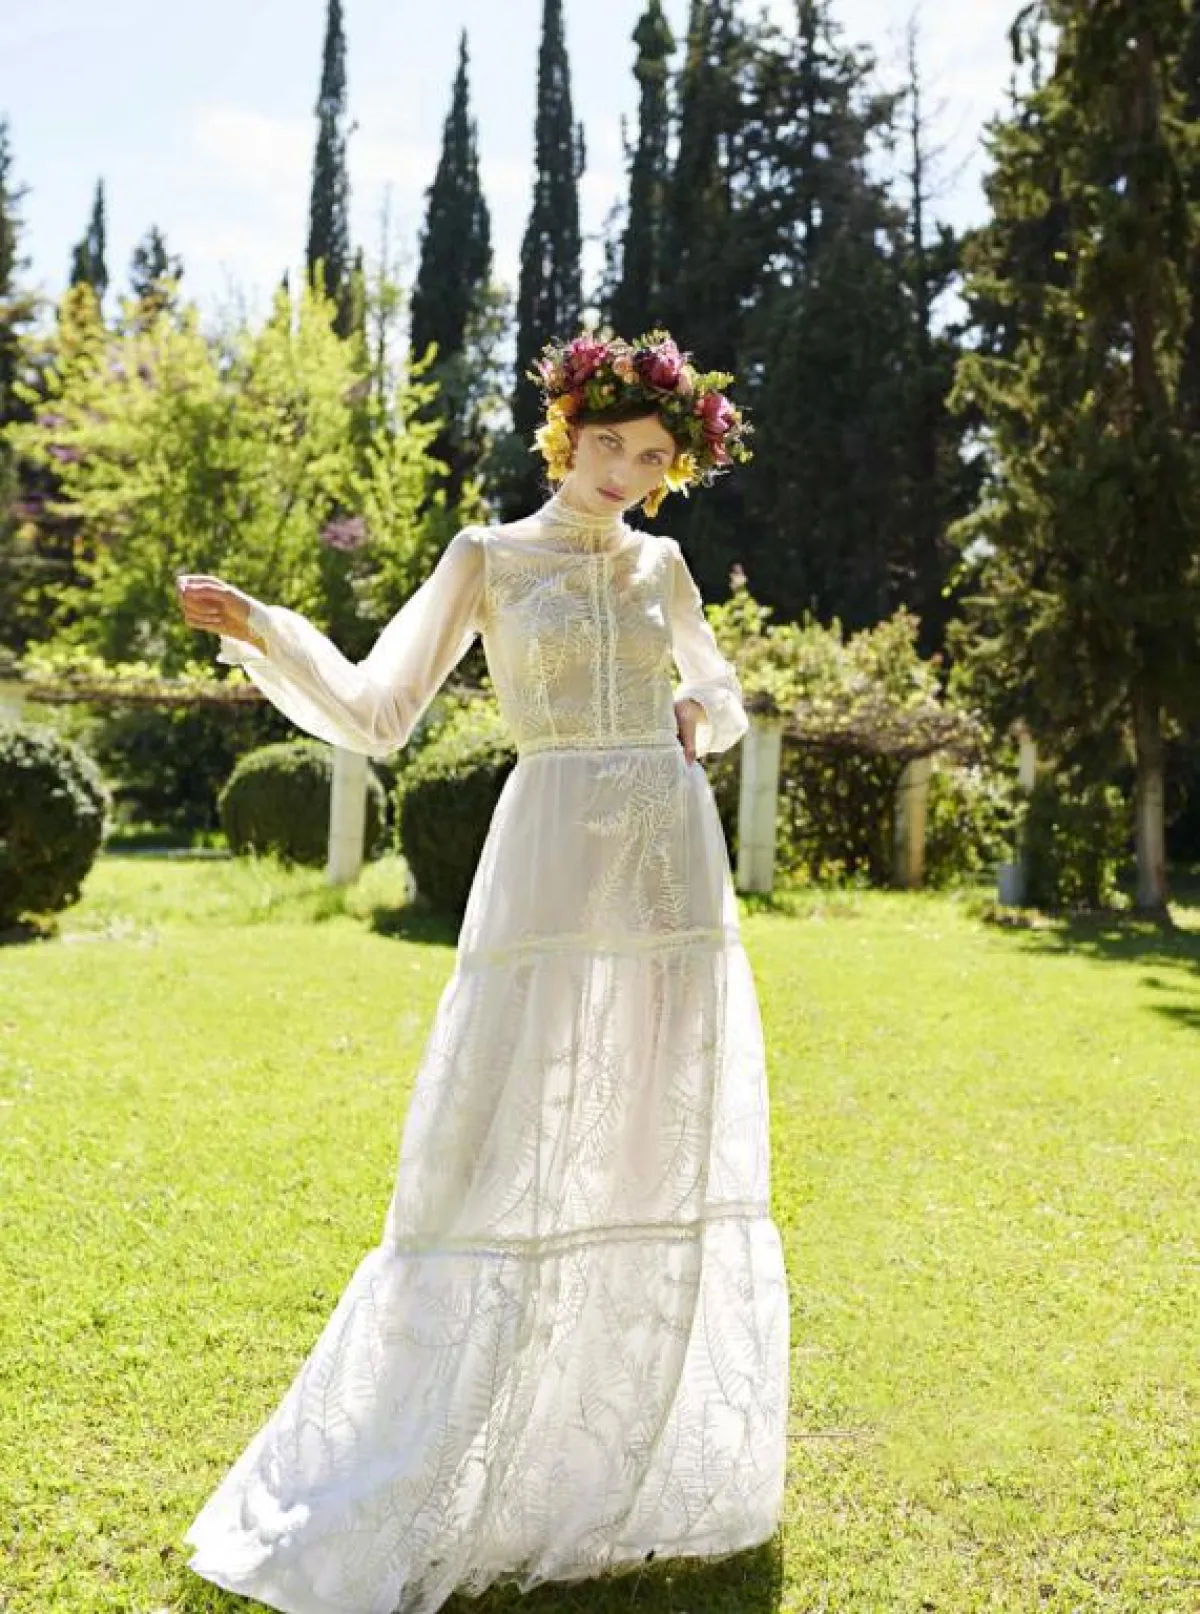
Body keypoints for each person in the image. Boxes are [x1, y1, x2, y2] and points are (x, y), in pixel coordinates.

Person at [175, 329, 790, 1614]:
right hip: (551, 852)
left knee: (653, 1130)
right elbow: (379, 710)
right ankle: (459, 1442)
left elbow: (723, 691)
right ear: (567, 433)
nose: (625, 473)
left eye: (654, 457)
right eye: (610, 444)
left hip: (671, 866)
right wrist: (267, 632)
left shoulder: (664, 566)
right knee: (506, 1134)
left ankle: (619, 1453)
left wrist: (702, 713)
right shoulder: (486, 558)